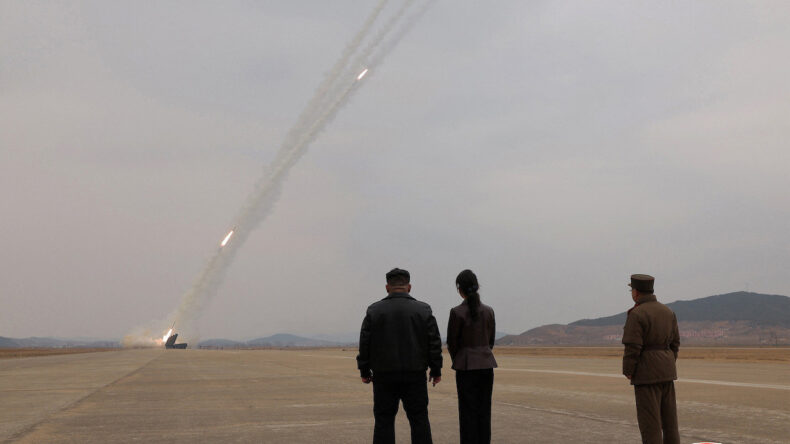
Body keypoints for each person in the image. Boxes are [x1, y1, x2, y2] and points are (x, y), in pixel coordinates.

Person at [357, 268, 443, 444]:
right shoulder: (423, 309)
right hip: (415, 375)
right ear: (409, 287)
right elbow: (434, 342)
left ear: (387, 287)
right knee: (419, 419)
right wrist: (436, 370)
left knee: (384, 421)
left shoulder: (374, 310)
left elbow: (365, 344)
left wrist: (364, 370)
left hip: (384, 376)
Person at [622, 274, 680, 444]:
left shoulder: (637, 313)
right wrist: (667, 362)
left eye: (632, 290)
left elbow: (632, 346)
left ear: (636, 292)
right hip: (667, 373)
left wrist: (629, 370)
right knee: (670, 422)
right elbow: (675, 344)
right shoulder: (668, 312)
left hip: (646, 375)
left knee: (650, 424)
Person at [446, 269, 497, 444]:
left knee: (467, 412)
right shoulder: (489, 311)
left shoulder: (456, 312)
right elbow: (490, 341)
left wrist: (460, 358)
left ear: (460, 289)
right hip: (486, 365)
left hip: (466, 367)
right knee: (484, 411)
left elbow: (452, 343)